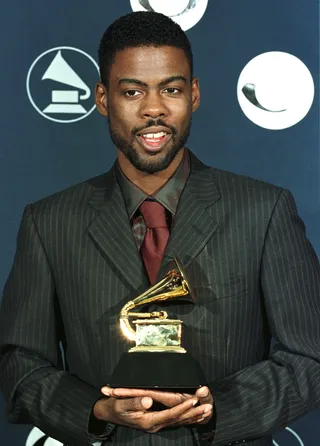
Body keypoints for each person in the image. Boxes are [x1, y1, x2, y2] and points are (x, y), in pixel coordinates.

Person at [0, 10, 319, 446]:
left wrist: (214, 412)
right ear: (102, 98)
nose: (153, 109)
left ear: (194, 95)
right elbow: (21, 365)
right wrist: (94, 411)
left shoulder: (263, 211)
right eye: (132, 91)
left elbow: (308, 358)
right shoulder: (49, 222)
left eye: (171, 89)